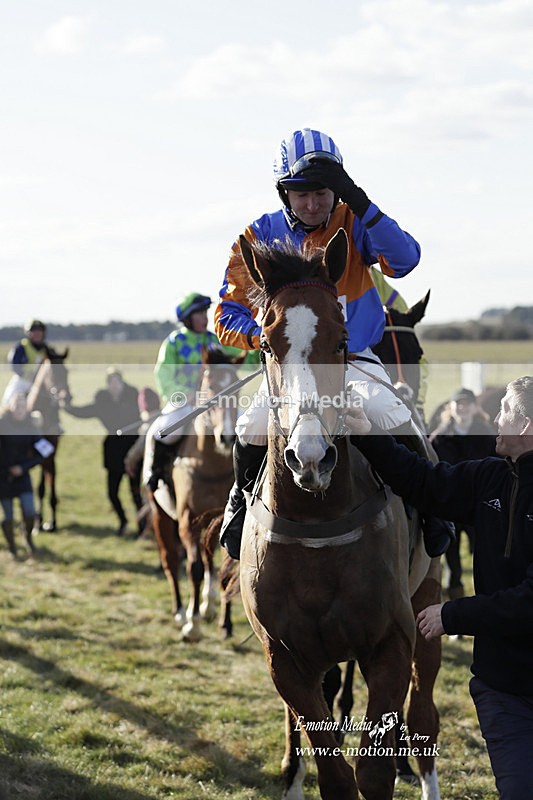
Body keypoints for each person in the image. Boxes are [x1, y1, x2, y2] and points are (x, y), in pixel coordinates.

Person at [214, 126, 451, 559]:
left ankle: (433, 508)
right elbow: (224, 316)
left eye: (323, 192)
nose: (312, 203)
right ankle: (237, 501)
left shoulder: (354, 222)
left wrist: (357, 200)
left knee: (386, 410)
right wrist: (267, 338)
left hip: (354, 358)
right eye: (300, 193)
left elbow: (406, 260)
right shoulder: (256, 236)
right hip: (289, 368)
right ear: (283, 193)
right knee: (250, 426)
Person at [346, 376, 533, 799]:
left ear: (524, 426)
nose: (494, 420)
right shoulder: (490, 477)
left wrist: (451, 614)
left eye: (503, 411)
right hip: (503, 690)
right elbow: (422, 482)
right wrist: (366, 433)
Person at [143, 293, 219, 492]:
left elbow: (242, 359)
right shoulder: (174, 342)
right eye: (200, 313)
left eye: (205, 313)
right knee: (165, 431)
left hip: (215, 403)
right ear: (187, 318)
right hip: (183, 403)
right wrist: (185, 394)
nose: (205, 318)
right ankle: (156, 471)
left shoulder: (214, 341)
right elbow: (163, 376)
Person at [430, 387, 497, 601]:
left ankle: (486, 606)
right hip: (451, 508)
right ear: (450, 407)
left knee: (486, 560)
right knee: (453, 565)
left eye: (467, 403)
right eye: (458, 403)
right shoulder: (439, 438)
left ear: (475, 407)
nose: (462, 407)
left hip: (481, 507)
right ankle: (456, 616)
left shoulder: (487, 435)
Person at [62, 368, 142, 536]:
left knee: (135, 492)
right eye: (111, 383)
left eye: (117, 382)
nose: (114, 386)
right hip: (113, 451)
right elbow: (83, 412)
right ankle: (123, 522)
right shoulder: (102, 402)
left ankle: (142, 526)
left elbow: (147, 412)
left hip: (132, 450)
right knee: (112, 493)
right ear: (107, 385)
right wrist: (66, 406)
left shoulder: (133, 398)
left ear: (122, 383)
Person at [0, 393, 53, 557]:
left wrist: (24, 467)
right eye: (17, 405)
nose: (20, 409)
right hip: (2, 477)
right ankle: (12, 547)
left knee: (29, 511)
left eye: (23, 406)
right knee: (8, 517)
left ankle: (28, 538)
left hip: (22, 476)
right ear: (11, 406)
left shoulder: (30, 426)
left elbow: (44, 450)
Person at [3, 319, 50, 403]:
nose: (37, 334)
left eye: (39, 331)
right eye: (34, 331)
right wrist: (25, 374)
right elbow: (14, 364)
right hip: (23, 380)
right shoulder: (21, 347)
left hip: (41, 382)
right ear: (28, 333)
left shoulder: (46, 349)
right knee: (9, 399)